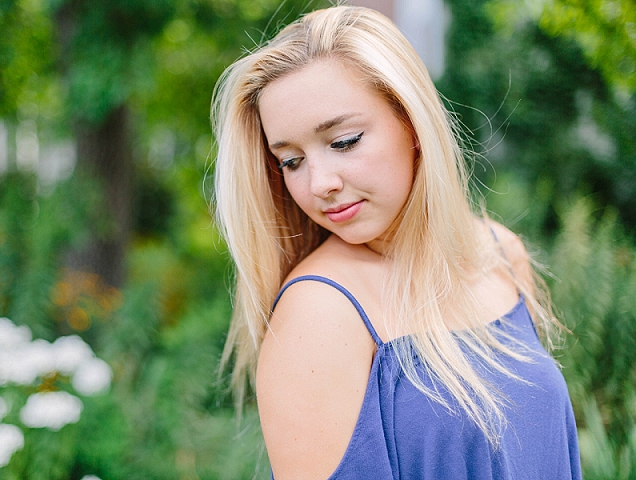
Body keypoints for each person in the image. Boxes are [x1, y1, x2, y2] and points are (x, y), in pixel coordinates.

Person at [212, 5, 581, 479]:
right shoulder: (321, 311)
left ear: (412, 121)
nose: (319, 182)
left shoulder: (500, 255)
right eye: (291, 161)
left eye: (343, 141)